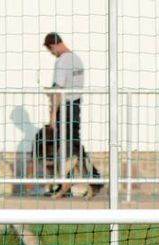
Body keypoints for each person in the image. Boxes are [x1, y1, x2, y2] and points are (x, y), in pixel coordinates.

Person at [42, 32, 102, 199]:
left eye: (50, 51)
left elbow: (59, 90)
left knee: (67, 147)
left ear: (52, 45)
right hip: (75, 105)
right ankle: (74, 183)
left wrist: (52, 115)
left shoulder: (61, 62)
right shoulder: (77, 59)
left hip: (66, 107)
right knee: (73, 146)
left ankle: (87, 180)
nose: (52, 54)